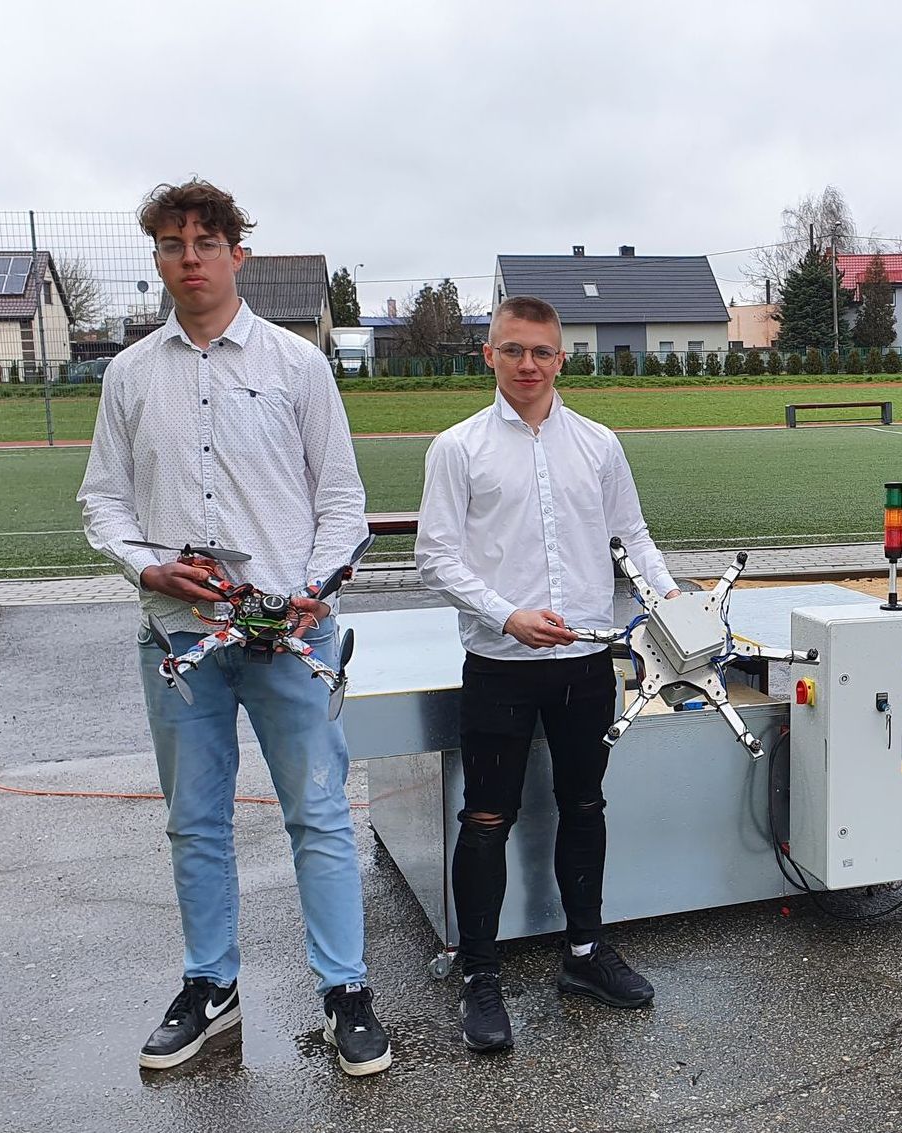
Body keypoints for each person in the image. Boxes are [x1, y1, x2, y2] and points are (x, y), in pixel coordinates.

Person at [78, 179, 391, 1074]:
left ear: (236, 255)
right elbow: (103, 501)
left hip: (289, 636)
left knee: (319, 815)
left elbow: (342, 501)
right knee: (195, 822)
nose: (189, 259)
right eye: (172, 244)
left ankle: (344, 990)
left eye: (205, 243)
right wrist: (147, 567)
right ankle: (210, 984)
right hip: (181, 637)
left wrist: (312, 587)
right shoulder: (130, 374)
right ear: (158, 258)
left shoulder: (297, 364)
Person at [415, 295, 679, 1052]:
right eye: (512, 350)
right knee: (486, 819)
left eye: (540, 352)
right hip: (501, 663)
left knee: (584, 805)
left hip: (586, 663)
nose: (526, 364)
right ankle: (480, 975)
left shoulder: (598, 444)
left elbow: (631, 537)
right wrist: (508, 616)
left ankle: (585, 953)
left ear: (563, 358)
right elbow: (436, 557)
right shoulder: (457, 448)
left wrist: (671, 604)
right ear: (488, 355)